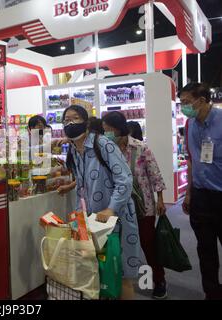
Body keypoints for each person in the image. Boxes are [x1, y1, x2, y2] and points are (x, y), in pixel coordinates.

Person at [59, 105, 141, 300]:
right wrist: (78, 217)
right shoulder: (73, 148)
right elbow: (83, 183)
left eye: (75, 118)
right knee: (99, 273)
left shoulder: (103, 144)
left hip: (116, 220)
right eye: (66, 120)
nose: (70, 123)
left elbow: (125, 179)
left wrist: (111, 209)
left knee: (121, 276)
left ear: (86, 123)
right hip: (91, 222)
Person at [102, 111, 168, 299]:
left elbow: (155, 175)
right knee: (119, 244)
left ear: (119, 129)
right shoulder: (106, 149)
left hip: (143, 205)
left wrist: (160, 200)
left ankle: (159, 280)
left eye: (108, 130)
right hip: (118, 206)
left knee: (148, 243)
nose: (106, 133)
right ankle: (121, 282)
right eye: (104, 130)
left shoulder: (140, 148)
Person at [180, 82, 222, 300]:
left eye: (187, 102)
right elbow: (190, 160)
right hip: (200, 196)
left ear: (202, 101)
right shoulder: (189, 125)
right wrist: (188, 193)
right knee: (205, 250)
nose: (183, 107)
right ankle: (212, 293)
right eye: (182, 102)